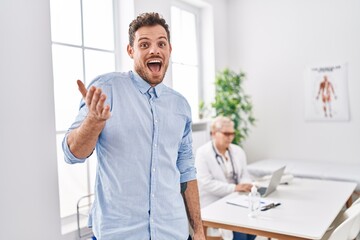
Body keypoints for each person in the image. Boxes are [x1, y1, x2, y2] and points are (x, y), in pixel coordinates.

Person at [62, 12, 205, 240]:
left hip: (173, 232)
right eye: (144, 44)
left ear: (169, 49)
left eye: (161, 43)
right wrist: (93, 122)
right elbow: (72, 154)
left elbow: (186, 171)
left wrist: (198, 230)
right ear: (131, 51)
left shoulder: (180, 105)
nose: (154, 50)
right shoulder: (106, 89)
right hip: (118, 234)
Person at [195, 116, 256, 240]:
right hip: (214, 200)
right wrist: (235, 188)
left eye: (232, 133)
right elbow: (206, 183)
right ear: (213, 133)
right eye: (226, 133)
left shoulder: (238, 151)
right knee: (241, 233)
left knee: (253, 228)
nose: (230, 137)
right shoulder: (202, 153)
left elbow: (244, 175)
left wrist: (246, 185)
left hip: (236, 198)